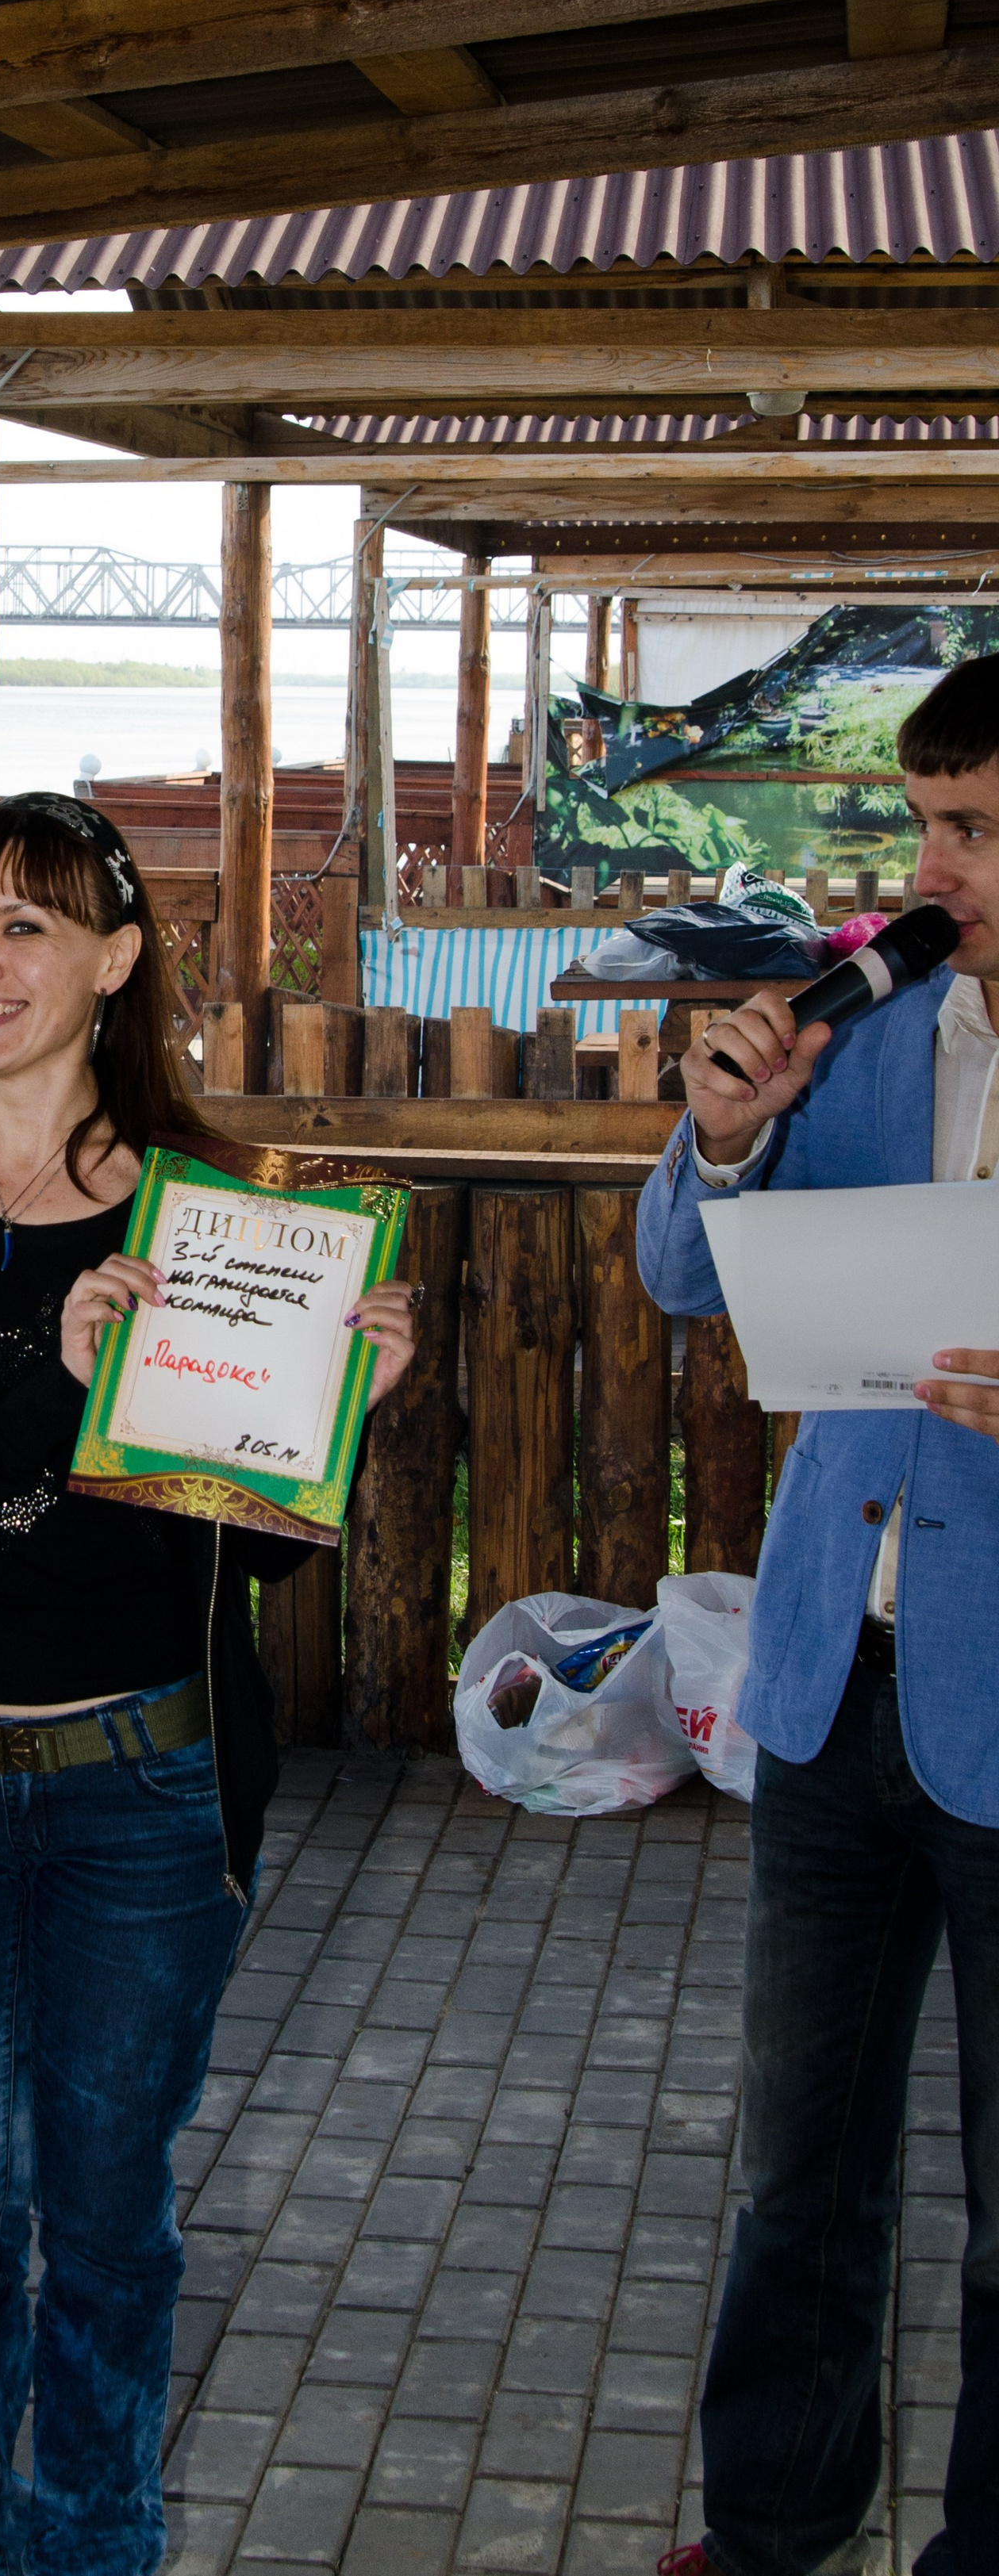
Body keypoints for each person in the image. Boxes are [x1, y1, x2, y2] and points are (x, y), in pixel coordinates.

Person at [0, 789, 417, 2576]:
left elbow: (251, 1559)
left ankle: (94, 2538)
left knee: (112, 2214)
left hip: (147, 1791)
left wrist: (335, 1419)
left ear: (117, 959)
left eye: (26, 926)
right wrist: (43, 1386)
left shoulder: (227, 1218)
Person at [638, 652, 999, 2576]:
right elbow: (678, 1276)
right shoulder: (864, 1031)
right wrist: (723, 1129)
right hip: (822, 1679)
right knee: (796, 2174)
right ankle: (769, 2530)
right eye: (929, 825)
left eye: (979, 833)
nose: (935, 872)